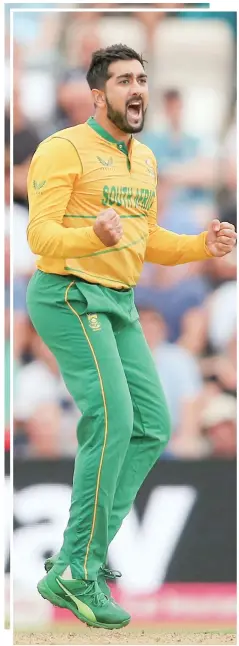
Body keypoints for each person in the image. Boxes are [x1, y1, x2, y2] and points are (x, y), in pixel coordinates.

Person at [26, 44, 236, 630]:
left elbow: (145, 242)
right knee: (114, 419)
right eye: (123, 80)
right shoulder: (62, 149)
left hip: (118, 301)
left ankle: (79, 563)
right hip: (68, 292)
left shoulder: (143, 160)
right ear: (99, 94)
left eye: (142, 78)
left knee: (152, 425)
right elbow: (40, 238)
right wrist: (92, 234)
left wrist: (201, 246)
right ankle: (78, 565)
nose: (136, 88)